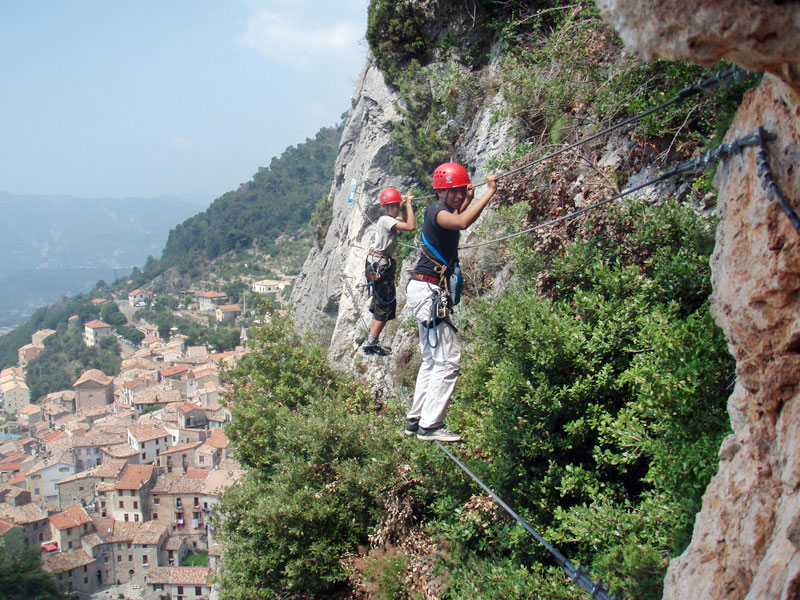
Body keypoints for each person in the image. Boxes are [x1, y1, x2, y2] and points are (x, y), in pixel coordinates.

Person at [405, 162, 498, 441]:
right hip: (429, 292)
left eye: (461, 192)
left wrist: (468, 199)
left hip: (424, 289)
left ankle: (416, 418)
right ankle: (430, 426)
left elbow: (456, 219)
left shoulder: (439, 211)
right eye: (454, 192)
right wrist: (490, 191)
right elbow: (461, 222)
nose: (458, 196)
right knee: (448, 360)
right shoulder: (436, 212)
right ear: (441, 192)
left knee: (433, 360)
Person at [361, 187, 416, 355]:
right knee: (385, 304)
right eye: (391, 206)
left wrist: (403, 206)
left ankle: (372, 339)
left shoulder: (388, 219)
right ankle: (371, 342)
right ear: (385, 207)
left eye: (395, 205)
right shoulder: (385, 219)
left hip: (377, 263)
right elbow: (411, 226)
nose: (393, 208)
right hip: (380, 265)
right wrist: (409, 205)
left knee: (380, 301)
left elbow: (405, 221)